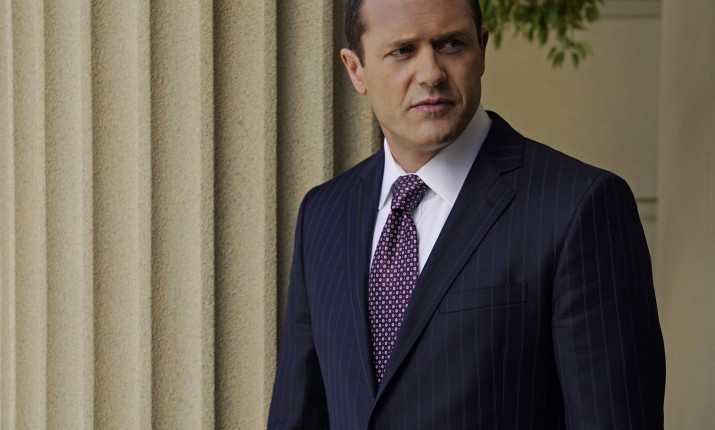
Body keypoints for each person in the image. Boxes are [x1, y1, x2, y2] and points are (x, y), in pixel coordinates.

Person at [267, 0, 666, 428]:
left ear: (482, 49)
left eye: (451, 44)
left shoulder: (578, 206)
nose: (431, 73)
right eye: (403, 51)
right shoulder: (323, 215)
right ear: (355, 70)